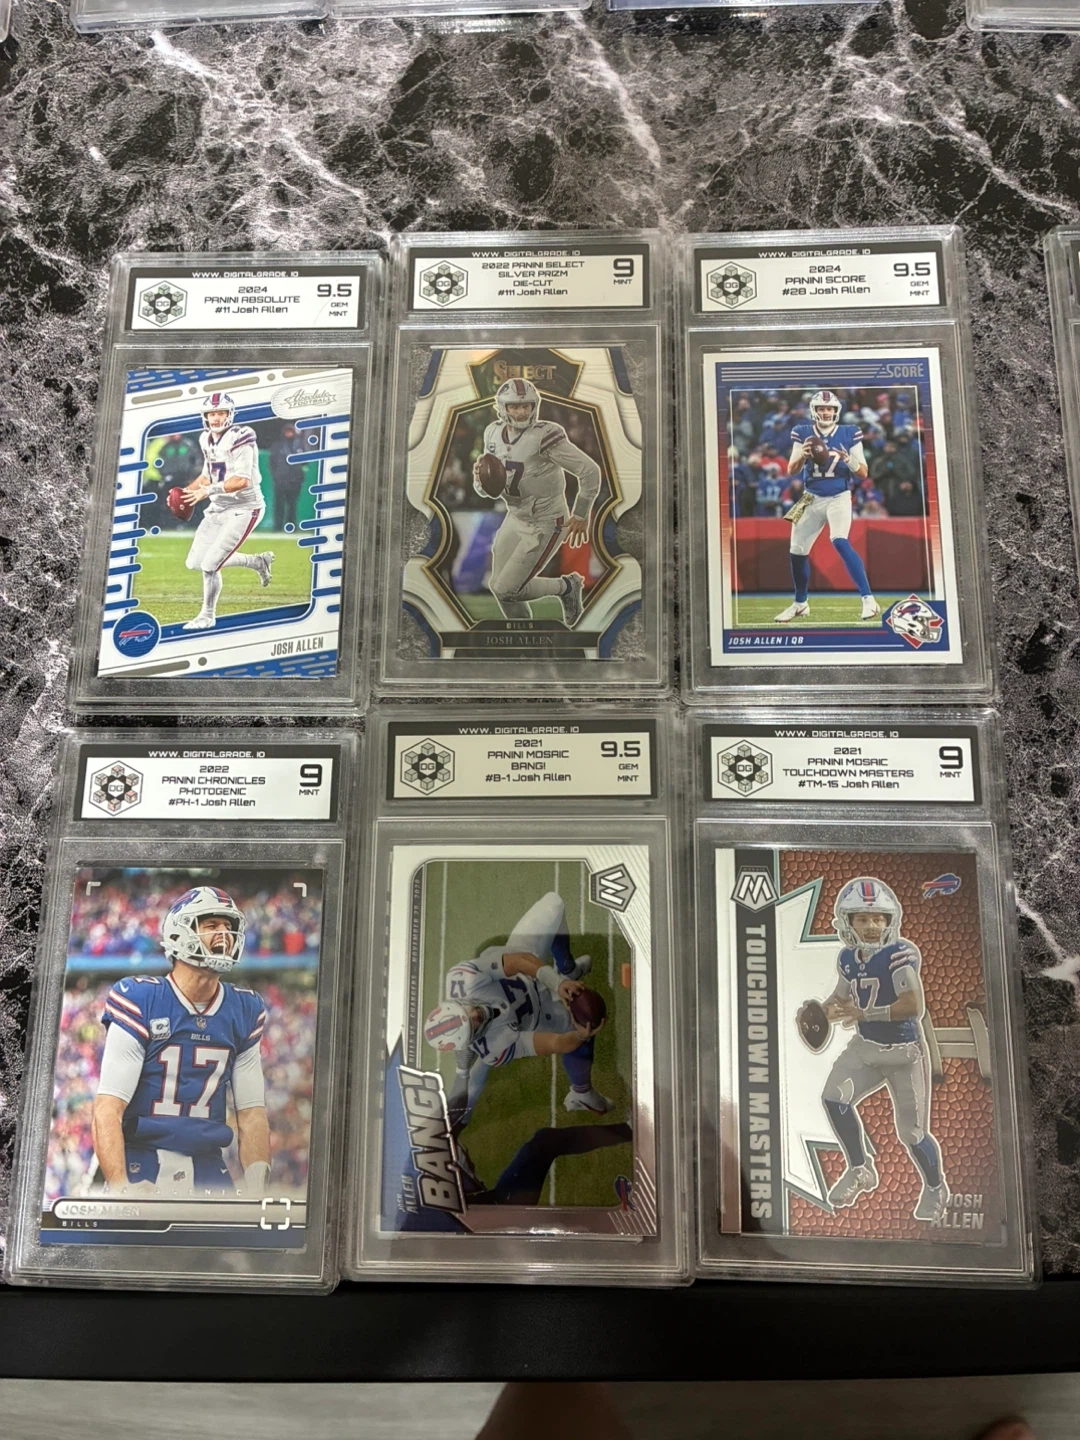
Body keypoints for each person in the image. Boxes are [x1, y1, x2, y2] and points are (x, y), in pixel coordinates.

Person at [91, 885, 271, 1197]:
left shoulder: (245, 1009)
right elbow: (107, 1108)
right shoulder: (141, 999)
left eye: (228, 926)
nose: (224, 935)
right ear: (179, 932)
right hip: (142, 1159)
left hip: (208, 1166)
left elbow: (252, 1114)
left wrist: (258, 1193)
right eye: (211, 925)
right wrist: (121, 1189)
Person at [810, 877, 948, 1222]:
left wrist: (864, 1013)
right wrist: (818, 1013)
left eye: (877, 918)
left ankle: (936, 1188)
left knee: (912, 1134)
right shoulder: (847, 957)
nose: (871, 926)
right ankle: (861, 1169)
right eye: (862, 918)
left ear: (890, 921)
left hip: (904, 1053)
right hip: (866, 1048)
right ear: (848, 922)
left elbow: (913, 1006)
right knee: (833, 1098)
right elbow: (840, 999)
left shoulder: (899, 954)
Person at [424, 891, 611, 1127]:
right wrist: (580, 1036)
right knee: (586, 1023)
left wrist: (558, 982)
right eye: (473, 1024)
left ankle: (568, 968)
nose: (475, 1014)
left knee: (553, 904)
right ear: (473, 1039)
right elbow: (554, 1043)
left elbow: (519, 961)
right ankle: (581, 1092)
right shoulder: (495, 1047)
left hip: (521, 964)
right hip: (540, 1014)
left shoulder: (463, 980)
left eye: (466, 1010)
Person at [472, 379, 600, 625]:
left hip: (546, 520)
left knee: (506, 588)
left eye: (526, 406)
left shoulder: (544, 435)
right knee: (500, 588)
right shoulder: (492, 433)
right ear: (502, 408)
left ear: (535, 406)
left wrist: (581, 513)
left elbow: (589, 471)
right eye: (514, 406)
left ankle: (567, 587)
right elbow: (489, 490)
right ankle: (521, 633)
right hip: (516, 516)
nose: (522, 412)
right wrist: (480, 481)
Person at [774, 389, 878, 624]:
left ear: (836, 411)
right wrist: (803, 456)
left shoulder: (850, 432)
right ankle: (800, 604)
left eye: (829, 408)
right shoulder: (802, 432)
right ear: (814, 411)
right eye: (821, 408)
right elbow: (791, 470)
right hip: (810, 497)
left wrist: (848, 459)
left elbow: (863, 473)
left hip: (838, 496)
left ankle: (869, 600)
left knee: (839, 540)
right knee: (797, 551)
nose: (826, 412)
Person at [179, 393, 274, 631]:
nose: (215, 418)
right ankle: (257, 561)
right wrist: (186, 493)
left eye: (220, 413)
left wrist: (207, 491)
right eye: (212, 413)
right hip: (218, 507)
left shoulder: (242, 436)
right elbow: (206, 475)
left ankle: (207, 616)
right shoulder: (205, 438)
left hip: (245, 508)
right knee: (195, 562)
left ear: (230, 414)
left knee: (210, 564)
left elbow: (242, 480)